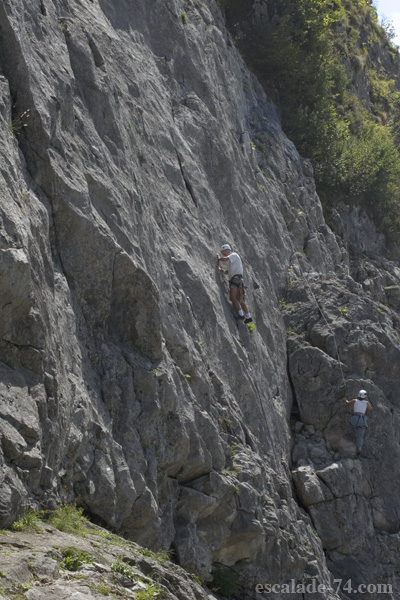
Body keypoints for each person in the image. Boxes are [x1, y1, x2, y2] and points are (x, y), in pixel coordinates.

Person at [217, 244, 255, 330]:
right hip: (239, 280)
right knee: (240, 300)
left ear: (227, 250)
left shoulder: (233, 255)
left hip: (235, 280)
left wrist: (219, 258)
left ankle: (241, 315)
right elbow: (229, 272)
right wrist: (223, 272)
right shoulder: (232, 260)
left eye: (223, 253)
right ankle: (248, 317)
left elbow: (225, 259)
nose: (223, 254)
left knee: (233, 297)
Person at [345, 390, 372, 454]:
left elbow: (348, 403)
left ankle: (349, 442)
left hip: (355, 418)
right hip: (362, 419)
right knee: (360, 436)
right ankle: (359, 449)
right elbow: (370, 408)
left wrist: (345, 399)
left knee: (351, 427)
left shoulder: (355, 400)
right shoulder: (366, 402)